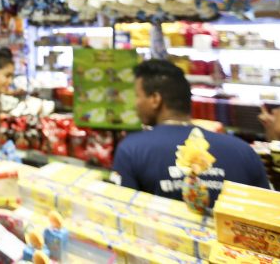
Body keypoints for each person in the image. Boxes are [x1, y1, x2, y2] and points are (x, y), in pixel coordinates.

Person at [112, 59, 269, 205]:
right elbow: (266, 214)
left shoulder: (131, 150)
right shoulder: (244, 151)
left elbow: (123, 215)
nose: (135, 104)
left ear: (155, 99)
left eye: (137, 96)